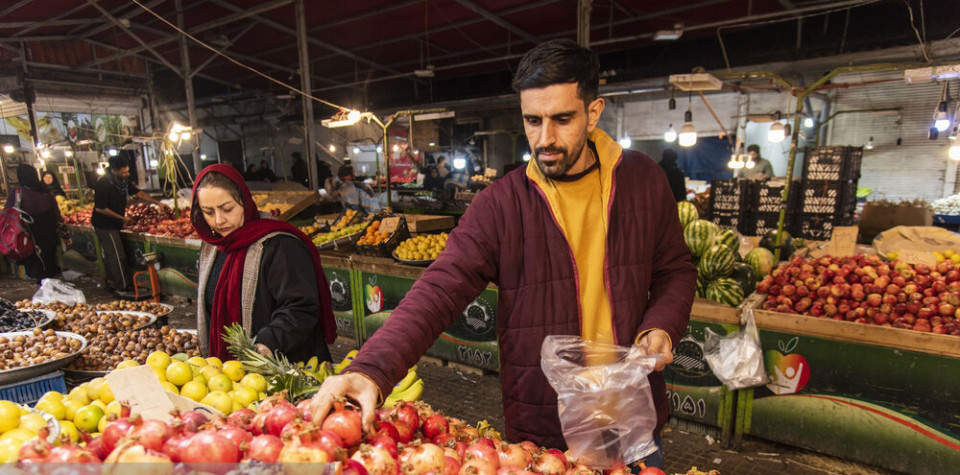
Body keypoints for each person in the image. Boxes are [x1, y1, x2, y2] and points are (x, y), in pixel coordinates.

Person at [309, 39, 696, 470]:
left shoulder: (643, 179)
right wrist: (372, 369)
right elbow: (440, 287)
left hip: (634, 418)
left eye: (562, 119)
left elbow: (674, 269)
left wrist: (661, 325)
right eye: (532, 120)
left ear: (594, 111)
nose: (544, 139)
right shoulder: (501, 204)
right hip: (546, 434)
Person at [191, 164, 336, 362]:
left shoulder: (279, 245)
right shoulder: (212, 247)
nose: (218, 220)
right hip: (231, 374)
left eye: (227, 209)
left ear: (244, 201)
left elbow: (301, 308)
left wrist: (266, 343)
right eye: (208, 212)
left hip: (286, 368)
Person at [92, 154, 168, 299]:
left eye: (127, 171)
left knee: (113, 254)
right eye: (124, 172)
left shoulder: (123, 181)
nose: (127, 174)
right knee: (116, 254)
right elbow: (100, 208)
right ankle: (121, 288)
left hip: (117, 223)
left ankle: (113, 282)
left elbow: (139, 193)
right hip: (104, 224)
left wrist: (157, 203)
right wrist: (123, 218)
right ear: (114, 171)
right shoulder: (103, 183)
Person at [4, 165, 71, 282]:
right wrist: (66, 235)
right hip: (49, 238)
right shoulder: (46, 192)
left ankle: (45, 292)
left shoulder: (17, 193)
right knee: (49, 266)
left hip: (30, 238)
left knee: (38, 269)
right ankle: (48, 291)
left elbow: (8, 214)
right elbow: (58, 217)